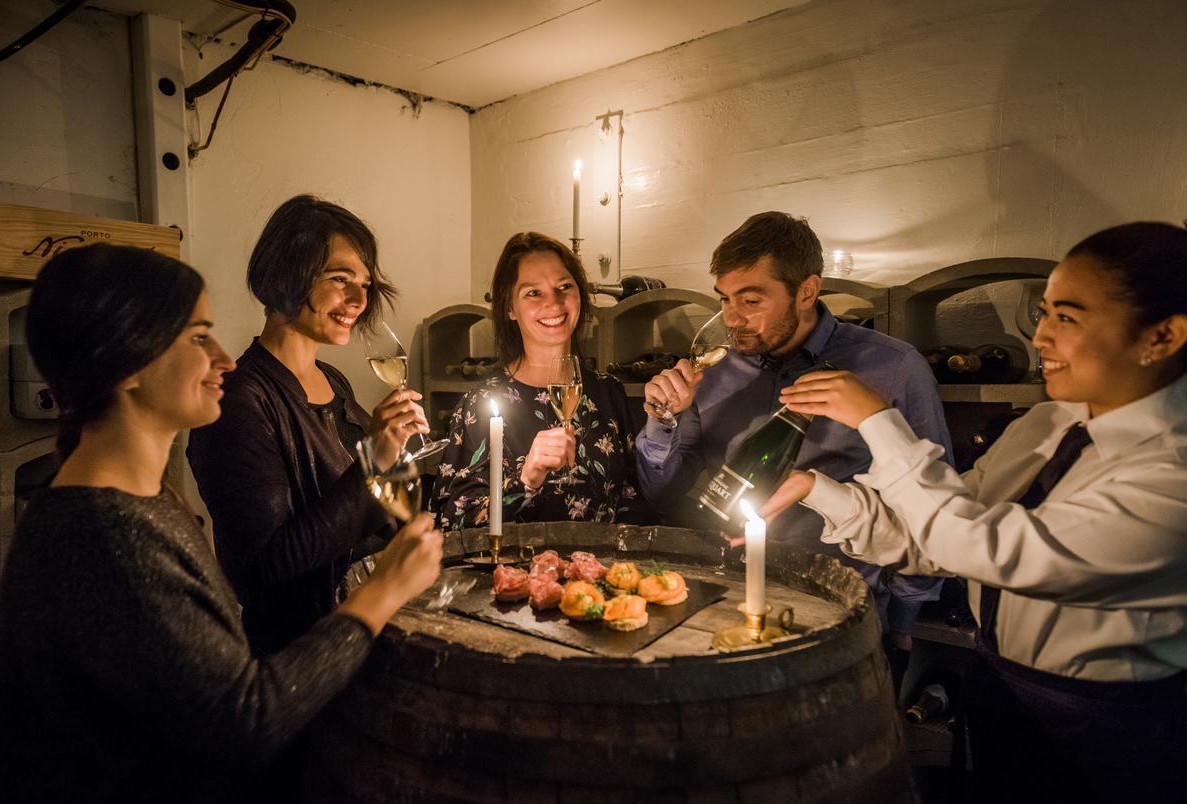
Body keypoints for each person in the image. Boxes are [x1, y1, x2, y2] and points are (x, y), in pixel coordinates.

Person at [0, 244, 441, 804]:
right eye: (199, 337)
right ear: (127, 363)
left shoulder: (138, 500)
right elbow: (248, 719)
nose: (225, 358)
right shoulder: (104, 536)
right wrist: (382, 593)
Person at [768, 221, 1187, 804]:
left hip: (1110, 734)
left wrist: (880, 422)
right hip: (1004, 692)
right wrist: (819, 490)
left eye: (1067, 318)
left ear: (1163, 335)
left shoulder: (1172, 473)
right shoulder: (1045, 424)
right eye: (1042, 313)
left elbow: (990, 550)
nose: (1039, 337)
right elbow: (936, 537)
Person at [635, 212, 952, 678]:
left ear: (806, 291)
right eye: (724, 300)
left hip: (841, 610)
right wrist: (662, 420)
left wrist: (904, 617)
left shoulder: (893, 368)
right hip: (723, 602)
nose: (732, 318)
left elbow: (933, 499)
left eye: (751, 300)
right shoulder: (713, 372)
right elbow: (662, 493)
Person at [188, 194, 427, 656]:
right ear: (285, 275)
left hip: (369, 632)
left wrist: (400, 458)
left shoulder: (332, 381)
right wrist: (375, 460)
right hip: (302, 657)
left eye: (365, 284)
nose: (359, 299)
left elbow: (380, 512)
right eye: (340, 279)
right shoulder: (239, 402)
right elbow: (267, 567)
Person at [431, 231, 646, 528]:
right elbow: (453, 519)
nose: (555, 303)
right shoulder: (480, 404)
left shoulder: (608, 391)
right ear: (509, 308)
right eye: (533, 292)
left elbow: (632, 499)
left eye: (564, 286)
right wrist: (525, 482)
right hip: (516, 573)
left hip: (597, 573)